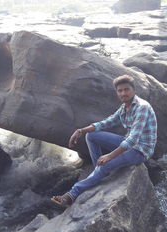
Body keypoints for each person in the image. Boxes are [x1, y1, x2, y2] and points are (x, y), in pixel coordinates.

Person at [51, 74, 157, 207]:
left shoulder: (142, 107)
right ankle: (100, 171)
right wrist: (81, 131)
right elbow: (106, 122)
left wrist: (109, 156)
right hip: (128, 142)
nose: (123, 93)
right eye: (120, 91)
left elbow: (133, 140)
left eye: (126, 89)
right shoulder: (125, 107)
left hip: (140, 150)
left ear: (133, 90)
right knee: (92, 136)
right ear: (117, 93)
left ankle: (71, 195)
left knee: (105, 163)